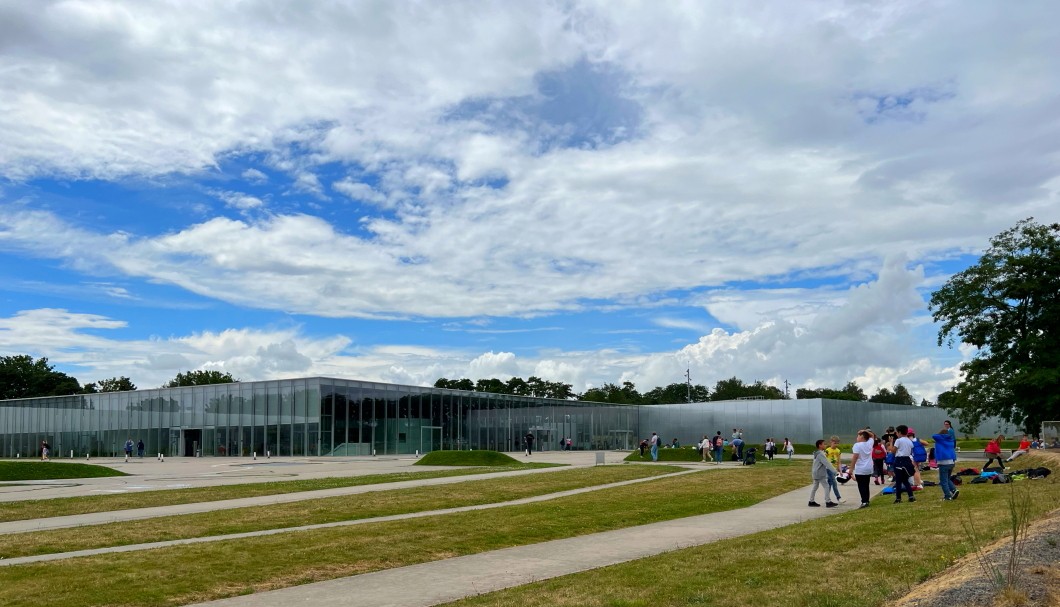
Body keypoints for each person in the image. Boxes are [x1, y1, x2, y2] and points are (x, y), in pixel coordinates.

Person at [890, 425, 916, 504]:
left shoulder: (899, 440)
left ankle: (898, 498)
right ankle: (911, 496)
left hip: (899, 460)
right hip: (907, 460)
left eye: (897, 432)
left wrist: (891, 443)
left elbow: (893, 451)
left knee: (898, 480)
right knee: (905, 480)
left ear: (899, 432)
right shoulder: (909, 440)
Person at [932, 423, 959, 501]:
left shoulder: (940, 440)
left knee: (943, 481)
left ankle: (947, 496)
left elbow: (934, 436)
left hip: (943, 462)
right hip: (951, 462)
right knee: (947, 478)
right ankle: (954, 490)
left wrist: (941, 435)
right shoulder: (950, 441)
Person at [849, 430, 874, 508]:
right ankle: (867, 500)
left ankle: (864, 501)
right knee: (866, 484)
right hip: (869, 468)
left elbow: (855, 457)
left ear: (862, 437)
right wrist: (865, 431)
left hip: (860, 469)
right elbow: (872, 435)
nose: (857, 437)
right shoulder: (869, 443)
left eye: (858, 436)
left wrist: (851, 468)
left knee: (861, 485)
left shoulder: (857, 445)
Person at [809, 440, 837, 508]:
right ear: (820, 445)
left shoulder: (817, 453)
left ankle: (811, 501)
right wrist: (834, 471)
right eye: (824, 444)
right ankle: (828, 502)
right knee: (826, 486)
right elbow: (827, 463)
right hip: (820, 474)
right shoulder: (821, 454)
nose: (825, 445)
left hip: (815, 473)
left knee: (815, 487)